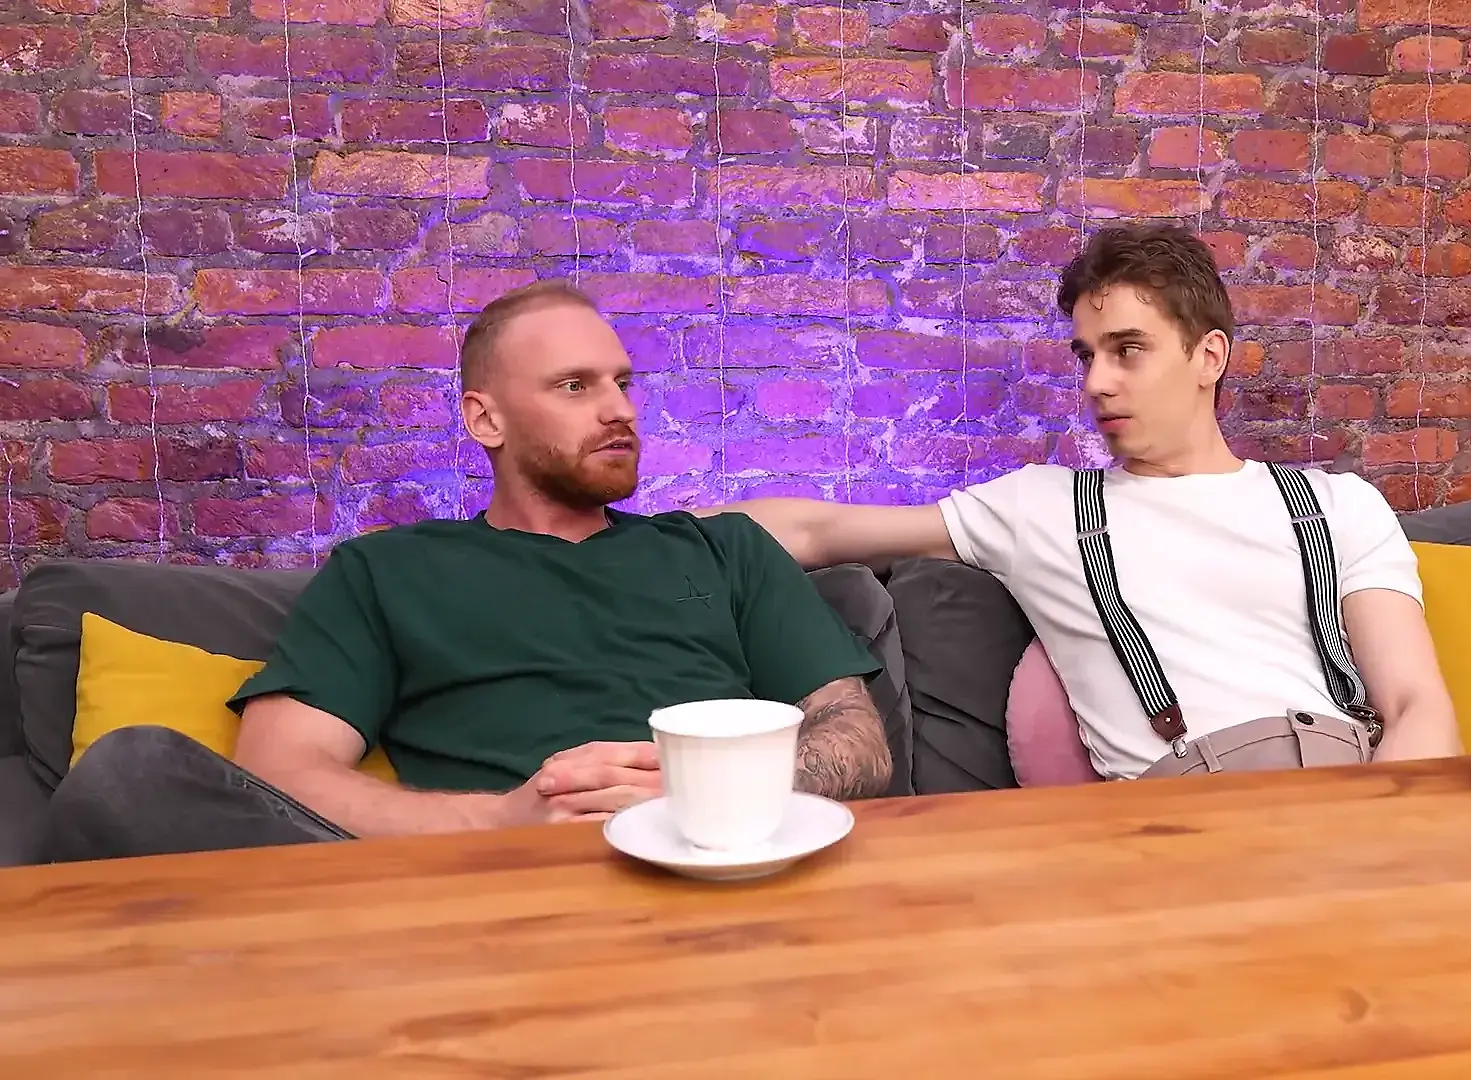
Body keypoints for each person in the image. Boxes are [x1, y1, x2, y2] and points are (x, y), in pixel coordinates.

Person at [44, 280, 900, 862]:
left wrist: (694, 799)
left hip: (720, 862)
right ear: (485, 420)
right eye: (575, 387)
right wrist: (504, 820)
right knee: (131, 773)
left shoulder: (725, 549)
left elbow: (855, 740)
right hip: (488, 882)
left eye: (623, 382)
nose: (619, 410)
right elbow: (282, 768)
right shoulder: (389, 569)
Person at [705, 223, 1461, 781]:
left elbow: (1416, 707)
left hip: (1356, 791)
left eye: (1128, 350)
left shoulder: (1337, 505)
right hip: (1187, 820)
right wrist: (654, 537)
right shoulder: (1042, 508)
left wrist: (1382, 839)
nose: (1097, 382)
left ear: (1209, 356)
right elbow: (816, 528)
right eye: (1087, 355)